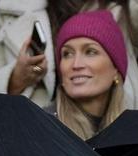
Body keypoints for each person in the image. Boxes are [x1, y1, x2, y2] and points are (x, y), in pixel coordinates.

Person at [0, 0, 138, 111]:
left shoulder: (125, 9)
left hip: (112, 139)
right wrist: (16, 79)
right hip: (31, 145)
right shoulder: (13, 8)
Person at [49, 10, 129, 139]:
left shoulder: (134, 133)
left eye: (90, 52)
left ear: (116, 69)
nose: (76, 64)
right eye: (67, 54)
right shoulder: (41, 129)